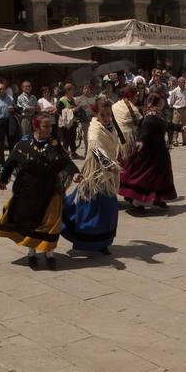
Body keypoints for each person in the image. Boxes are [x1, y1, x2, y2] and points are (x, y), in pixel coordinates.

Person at [0, 115, 81, 269]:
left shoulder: (54, 143)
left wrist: (74, 173)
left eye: (50, 126)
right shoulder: (23, 144)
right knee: (30, 222)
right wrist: (3, 180)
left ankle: (50, 255)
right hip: (28, 190)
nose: (49, 129)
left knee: (51, 223)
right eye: (45, 126)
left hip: (50, 188)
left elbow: (65, 161)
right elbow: (11, 162)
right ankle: (32, 253)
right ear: (36, 127)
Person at [61, 100, 120, 255]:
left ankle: (103, 242)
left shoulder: (110, 126)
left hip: (108, 175)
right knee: (89, 209)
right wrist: (108, 164)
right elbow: (95, 149)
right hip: (96, 174)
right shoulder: (94, 129)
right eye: (103, 115)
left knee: (108, 210)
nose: (107, 117)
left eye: (108, 114)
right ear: (96, 114)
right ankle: (82, 238)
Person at [118, 93, 185, 211]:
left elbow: (166, 125)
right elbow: (145, 130)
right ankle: (137, 202)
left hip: (159, 151)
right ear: (157, 102)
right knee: (145, 177)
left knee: (161, 176)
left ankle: (159, 198)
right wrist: (141, 141)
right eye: (162, 101)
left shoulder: (157, 114)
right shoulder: (150, 116)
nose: (164, 102)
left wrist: (180, 127)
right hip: (149, 153)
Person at [111, 86, 142, 162]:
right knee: (132, 163)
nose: (137, 98)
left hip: (118, 138)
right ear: (132, 96)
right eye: (136, 96)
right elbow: (141, 123)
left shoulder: (114, 105)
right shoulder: (133, 109)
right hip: (130, 139)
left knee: (122, 162)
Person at [169, 77, 186, 146]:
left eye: (184, 82)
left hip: (185, 109)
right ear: (178, 83)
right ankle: (175, 140)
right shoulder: (174, 91)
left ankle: (185, 141)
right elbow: (171, 102)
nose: (183, 83)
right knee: (176, 126)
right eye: (182, 82)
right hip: (177, 110)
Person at [75, 85, 97, 157]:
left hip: (94, 120)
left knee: (95, 136)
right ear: (82, 90)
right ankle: (87, 151)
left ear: (90, 90)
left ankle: (96, 151)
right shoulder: (79, 99)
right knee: (86, 137)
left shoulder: (95, 98)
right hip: (85, 121)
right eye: (85, 89)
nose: (86, 90)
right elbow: (75, 108)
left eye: (88, 88)